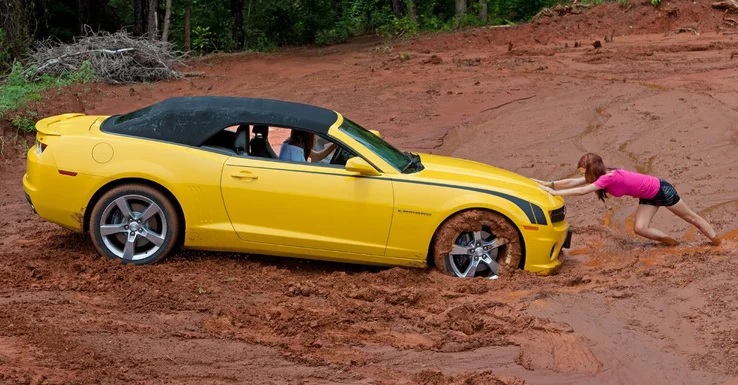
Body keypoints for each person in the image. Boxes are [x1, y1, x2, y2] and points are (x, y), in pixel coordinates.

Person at [534, 152, 720, 246]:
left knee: (690, 218)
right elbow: (573, 182)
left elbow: (583, 190)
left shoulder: (608, 177)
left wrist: (554, 194)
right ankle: (674, 244)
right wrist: (549, 184)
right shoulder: (601, 176)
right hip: (649, 196)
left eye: (584, 171)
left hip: (662, 190)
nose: (582, 174)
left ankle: (717, 242)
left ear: (593, 169)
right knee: (639, 228)